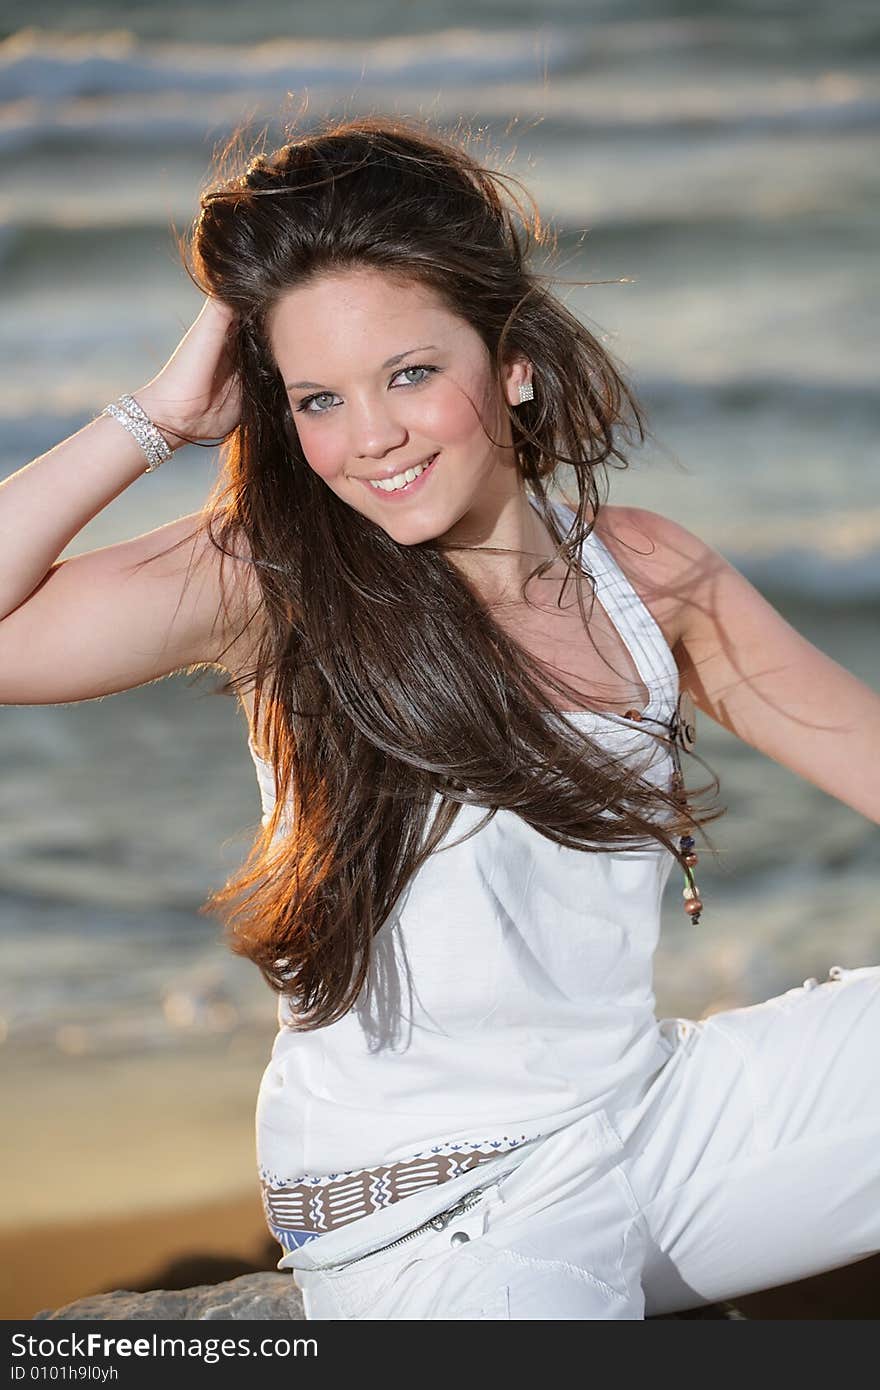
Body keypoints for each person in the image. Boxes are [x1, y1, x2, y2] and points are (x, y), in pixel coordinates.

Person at [1, 114, 877, 1322]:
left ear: (509, 358)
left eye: (410, 373)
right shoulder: (276, 579)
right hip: (437, 1212)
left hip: (650, 1123)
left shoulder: (650, 578)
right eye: (316, 398)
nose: (371, 440)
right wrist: (156, 415)